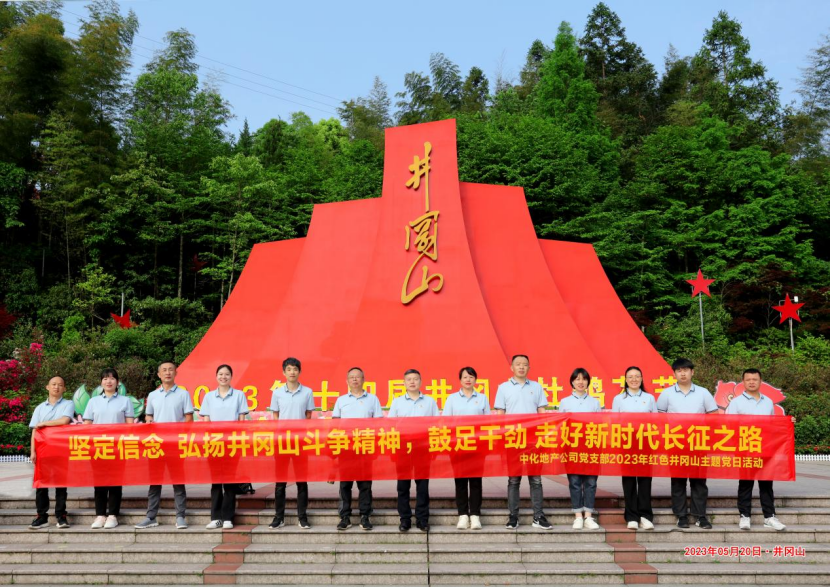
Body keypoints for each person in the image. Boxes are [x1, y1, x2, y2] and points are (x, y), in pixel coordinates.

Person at [656, 358, 718, 529]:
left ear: (692, 372)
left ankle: (700, 516)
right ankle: (681, 515)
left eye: (686, 370)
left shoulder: (703, 393)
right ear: (674, 374)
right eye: (679, 370)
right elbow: (659, 418)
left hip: (698, 442)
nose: (682, 373)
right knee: (678, 480)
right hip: (676, 442)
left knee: (699, 481)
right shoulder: (666, 394)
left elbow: (713, 416)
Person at [493, 355, 552, 530]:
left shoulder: (536, 387)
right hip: (513, 439)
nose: (521, 367)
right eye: (518, 364)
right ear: (511, 367)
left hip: (533, 440)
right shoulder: (503, 388)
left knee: (536, 480)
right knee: (513, 480)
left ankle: (538, 516)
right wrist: (501, 438)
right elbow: (500, 415)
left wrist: (544, 435)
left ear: (529, 368)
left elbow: (542, 412)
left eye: (525, 365)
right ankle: (513, 517)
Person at [135, 361, 194, 530]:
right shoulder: (153, 395)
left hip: (175, 444)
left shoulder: (183, 394)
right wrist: (149, 422)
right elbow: (148, 416)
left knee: (178, 482)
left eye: (170, 370)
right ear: (159, 375)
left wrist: (182, 437)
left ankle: (180, 516)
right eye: (164, 370)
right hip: (157, 444)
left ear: (176, 373)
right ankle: (151, 516)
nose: (167, 373)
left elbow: (189, 419)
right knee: (154, 482)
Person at [725, 368, 786, 531]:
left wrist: (788, 423)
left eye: (755, 379)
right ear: (743, 382)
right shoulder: (736, 402)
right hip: (745, 447)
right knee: (746, 483)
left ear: (760, 381)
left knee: (766, 483)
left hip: (765, 448)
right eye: (748, 379)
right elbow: (730, 427)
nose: (751, 382)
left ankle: (769, 516)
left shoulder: (768, 402)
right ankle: (745, 516)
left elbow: (772, 425)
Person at [331, 367, 384, 531]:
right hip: (346, 447)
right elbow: (335, 425)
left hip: (365, 446)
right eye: (351, 377)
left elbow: (378, 424)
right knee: (345, 484)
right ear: (347, 381)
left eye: (358, 377)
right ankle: (345, 517)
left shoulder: (373, 399)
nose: (355, 379)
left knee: (365, 484)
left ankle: (365, 516)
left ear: (363, 379)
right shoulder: (341, 400)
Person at [83, 368, 135, 529]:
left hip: (117, 447)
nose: (109, 381)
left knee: (115, 481)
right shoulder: (93, 402)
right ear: (101, 382)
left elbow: (130, 426)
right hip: (98, 447)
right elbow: (87, 425)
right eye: (105, 378)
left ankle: (113, 515)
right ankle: (100, 515)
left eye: (112, 378)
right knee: (99, 482)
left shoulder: (125, 401)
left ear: (117, 382)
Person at [389, 369, 439, 532]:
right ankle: (405, 519)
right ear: (404, 383)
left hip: (423, 447)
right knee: (403, 486)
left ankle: (422, 519)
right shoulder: (397, 402)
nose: (412, 382)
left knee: (422, 485)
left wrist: (433, 448)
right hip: (402, 448)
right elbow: (391, 427)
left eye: (415, 379)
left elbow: (436, 426)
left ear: (420, 382)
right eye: (409, 379)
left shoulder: (430, 401)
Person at [268, 357, 315, 530]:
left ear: (299, 371)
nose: (292, 372)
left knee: (302, 481)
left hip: (300, 441)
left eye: (295, 369)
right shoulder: (277, 393)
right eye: (289, 369)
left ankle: (302, 517)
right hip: (282, 441)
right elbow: (275, 415)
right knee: (280, 482)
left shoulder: (307, 392)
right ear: (284, 372)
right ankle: (278, 517)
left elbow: (308, 415)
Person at [200, 364, 249, 530]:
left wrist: (239, 440)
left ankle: (228, 517)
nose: (223, 377)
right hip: (214, 444)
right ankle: (215, 518)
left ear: (231, 376)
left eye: (227, 374)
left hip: (232, 443)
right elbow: (206, 421)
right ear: (216, 376)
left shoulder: (239, 395)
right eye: (220, 374)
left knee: (229, 481)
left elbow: (242, 420)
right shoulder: (209, 396)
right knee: (215, 482)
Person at [442, 366, 490, 530]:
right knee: (460, 481)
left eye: (471, 377)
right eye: (465, 377)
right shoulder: (452, 399)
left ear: (475, 380)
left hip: (477, 446)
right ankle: (463, 515)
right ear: (460, 380)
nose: (468, 380)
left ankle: (475, 515)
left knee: (476, 481)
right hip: (458, 445)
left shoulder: (482, 398)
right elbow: (446, 422)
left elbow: (487, 423)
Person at [611, 366, 657, 530]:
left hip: (645, 442)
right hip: (626, 442)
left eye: (637, 376)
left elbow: (655, 421)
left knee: (645, 479)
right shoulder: (619, 399)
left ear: (642, 378)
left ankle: (645, 515)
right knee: (629, 479)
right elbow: (614, 422)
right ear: (625, 379)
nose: (634, 379)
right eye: (630, 377)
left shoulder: (649, 398)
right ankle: (631, 516)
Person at [558, 368, 602, 530]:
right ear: (572, 382)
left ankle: (588, 515)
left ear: (588, 382)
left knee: (591, 482)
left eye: (584, 379)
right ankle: (578, 515)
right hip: (572, 447)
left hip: (591, 446)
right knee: (575, 482)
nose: (581, 382)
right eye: (577, 379)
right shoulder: (565, 402)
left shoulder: (595, 402)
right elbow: (561, 425)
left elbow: (600, 426)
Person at [28, 376, 75, 530]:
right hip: (42, 451)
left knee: (61, 484)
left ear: (64, 388)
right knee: (41, 485)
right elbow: (35, 430)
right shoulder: (40, 408)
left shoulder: (68, 404)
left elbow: (64, 421)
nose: (56, 387)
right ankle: (41, 516)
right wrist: (32, 451)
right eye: (53, 384)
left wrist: (44, 423)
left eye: (60, 385)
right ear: (47, 387)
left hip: (61, 450)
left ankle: (61, 516)